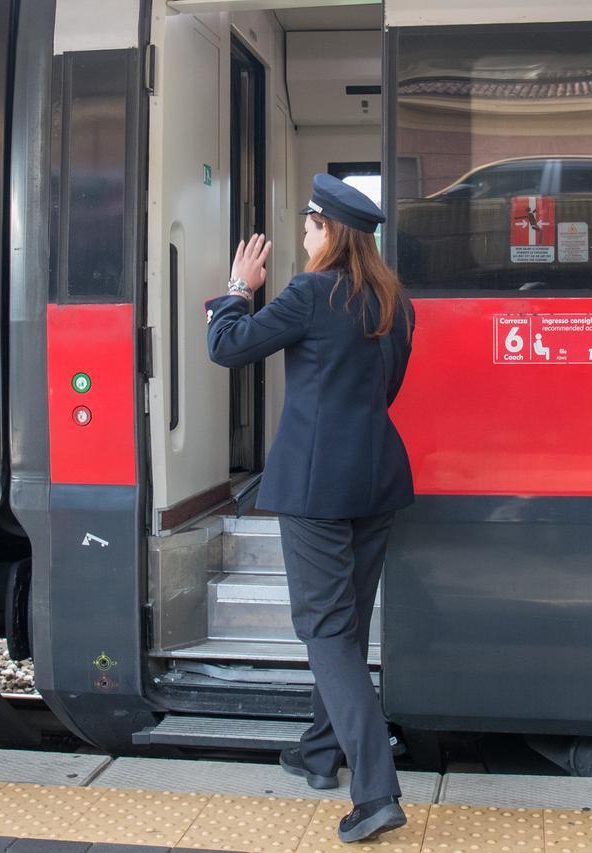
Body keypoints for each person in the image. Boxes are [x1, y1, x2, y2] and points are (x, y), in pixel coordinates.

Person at [205, 173, 415, 843]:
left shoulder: (309, 293)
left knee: (324, 630)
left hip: (317, 487)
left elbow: (227, 347)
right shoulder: (393, 301)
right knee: (345, 628)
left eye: (307, 224)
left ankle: (375, 789)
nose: (301, 234)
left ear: (329, 231)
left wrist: (239, 287)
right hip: (378, 478)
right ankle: (322, 750)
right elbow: (392, 385)